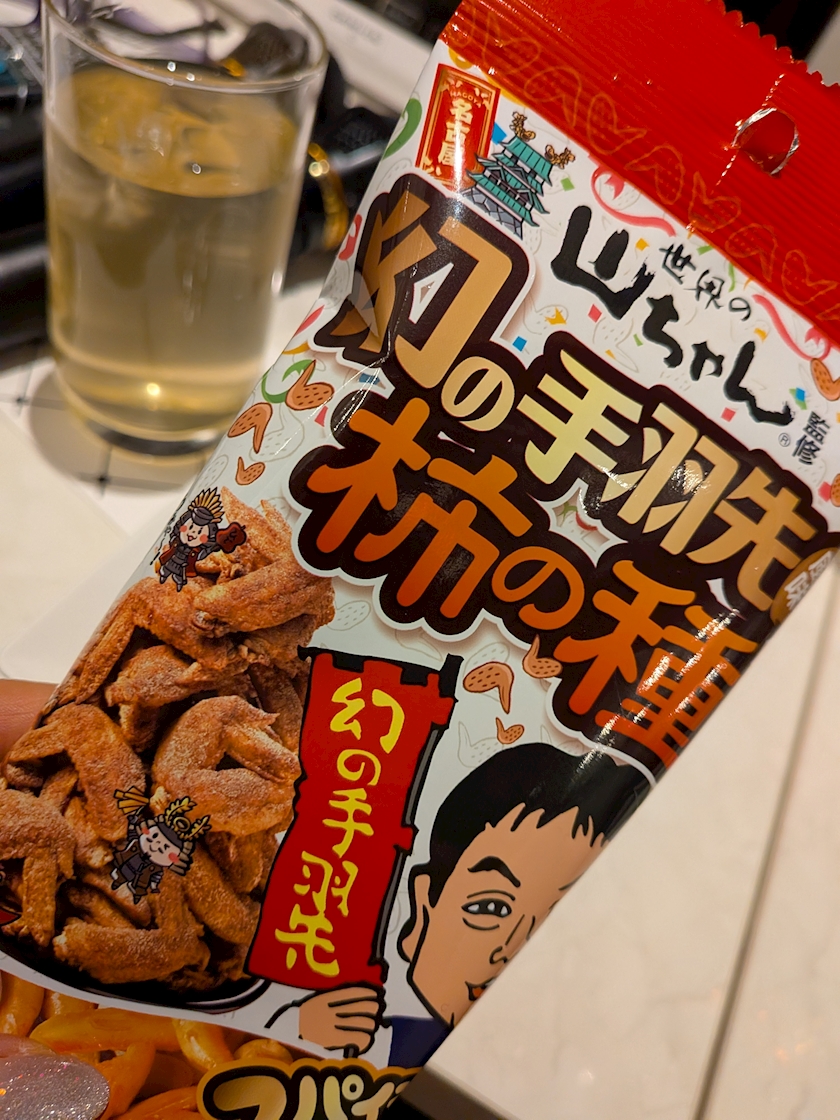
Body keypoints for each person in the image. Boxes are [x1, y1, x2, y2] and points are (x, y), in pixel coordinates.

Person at [266, 742, 649, 1068]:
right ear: (423, 906)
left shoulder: (537, 1052)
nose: (509, 950)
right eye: (492, 909)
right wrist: (297, 1027)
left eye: (552, 920)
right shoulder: (379, 1039)